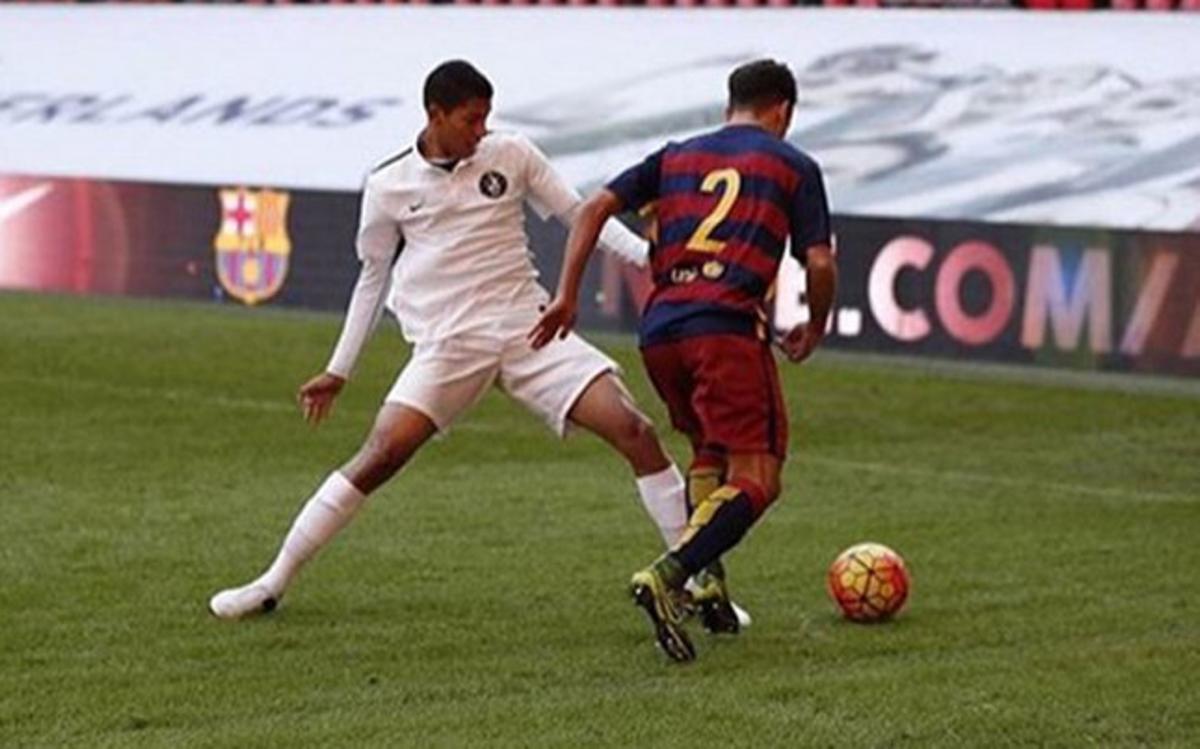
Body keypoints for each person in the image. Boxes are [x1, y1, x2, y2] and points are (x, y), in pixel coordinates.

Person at [208, 60, 724, 623]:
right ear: (435, 115)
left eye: (486, 119)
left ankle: (696, 582)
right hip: (448, 343)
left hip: (528, 328)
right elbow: (372, 276)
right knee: (380, 456)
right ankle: (271, 583)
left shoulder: (513, 154)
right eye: (470, 119)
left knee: (636, 431)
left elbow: (581, 215)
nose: (481, 131)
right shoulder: (388, 185)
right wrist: (340, 369)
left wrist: (653, 259)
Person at [530, 59, 837, 662]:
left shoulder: (675, 156)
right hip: (724, 329)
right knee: (757, 477)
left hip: (662, 330)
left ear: (731, 105)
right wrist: (816, 324)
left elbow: (592, 209)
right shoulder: (793, 164)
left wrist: (567, 293)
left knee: (709, 453)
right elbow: (820, 264)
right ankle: (670, 576)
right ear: (783, 111)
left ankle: (711, 583)